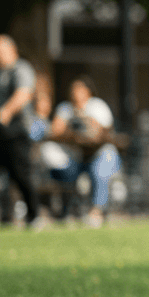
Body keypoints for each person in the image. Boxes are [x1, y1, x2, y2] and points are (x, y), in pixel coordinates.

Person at [47, 75, 120, 228]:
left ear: (88, 91)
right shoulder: (65, 108)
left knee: (99, 170)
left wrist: (85, 119)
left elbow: (102, 132)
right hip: (75, 156)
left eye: (80, 89)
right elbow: (54, 131)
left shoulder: (97, 106)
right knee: (63, 169)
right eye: (73, 89)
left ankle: (96, 212)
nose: (76, 93)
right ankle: (66, 212)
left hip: (99, 153)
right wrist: (71, 129)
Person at [0, 34, 43, 229]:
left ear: (11, 50)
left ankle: (34, 216)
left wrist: (6, 111)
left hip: (17, 132)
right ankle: (4, 217)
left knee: (21, 175)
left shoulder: (21, 69)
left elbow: (24, 93)